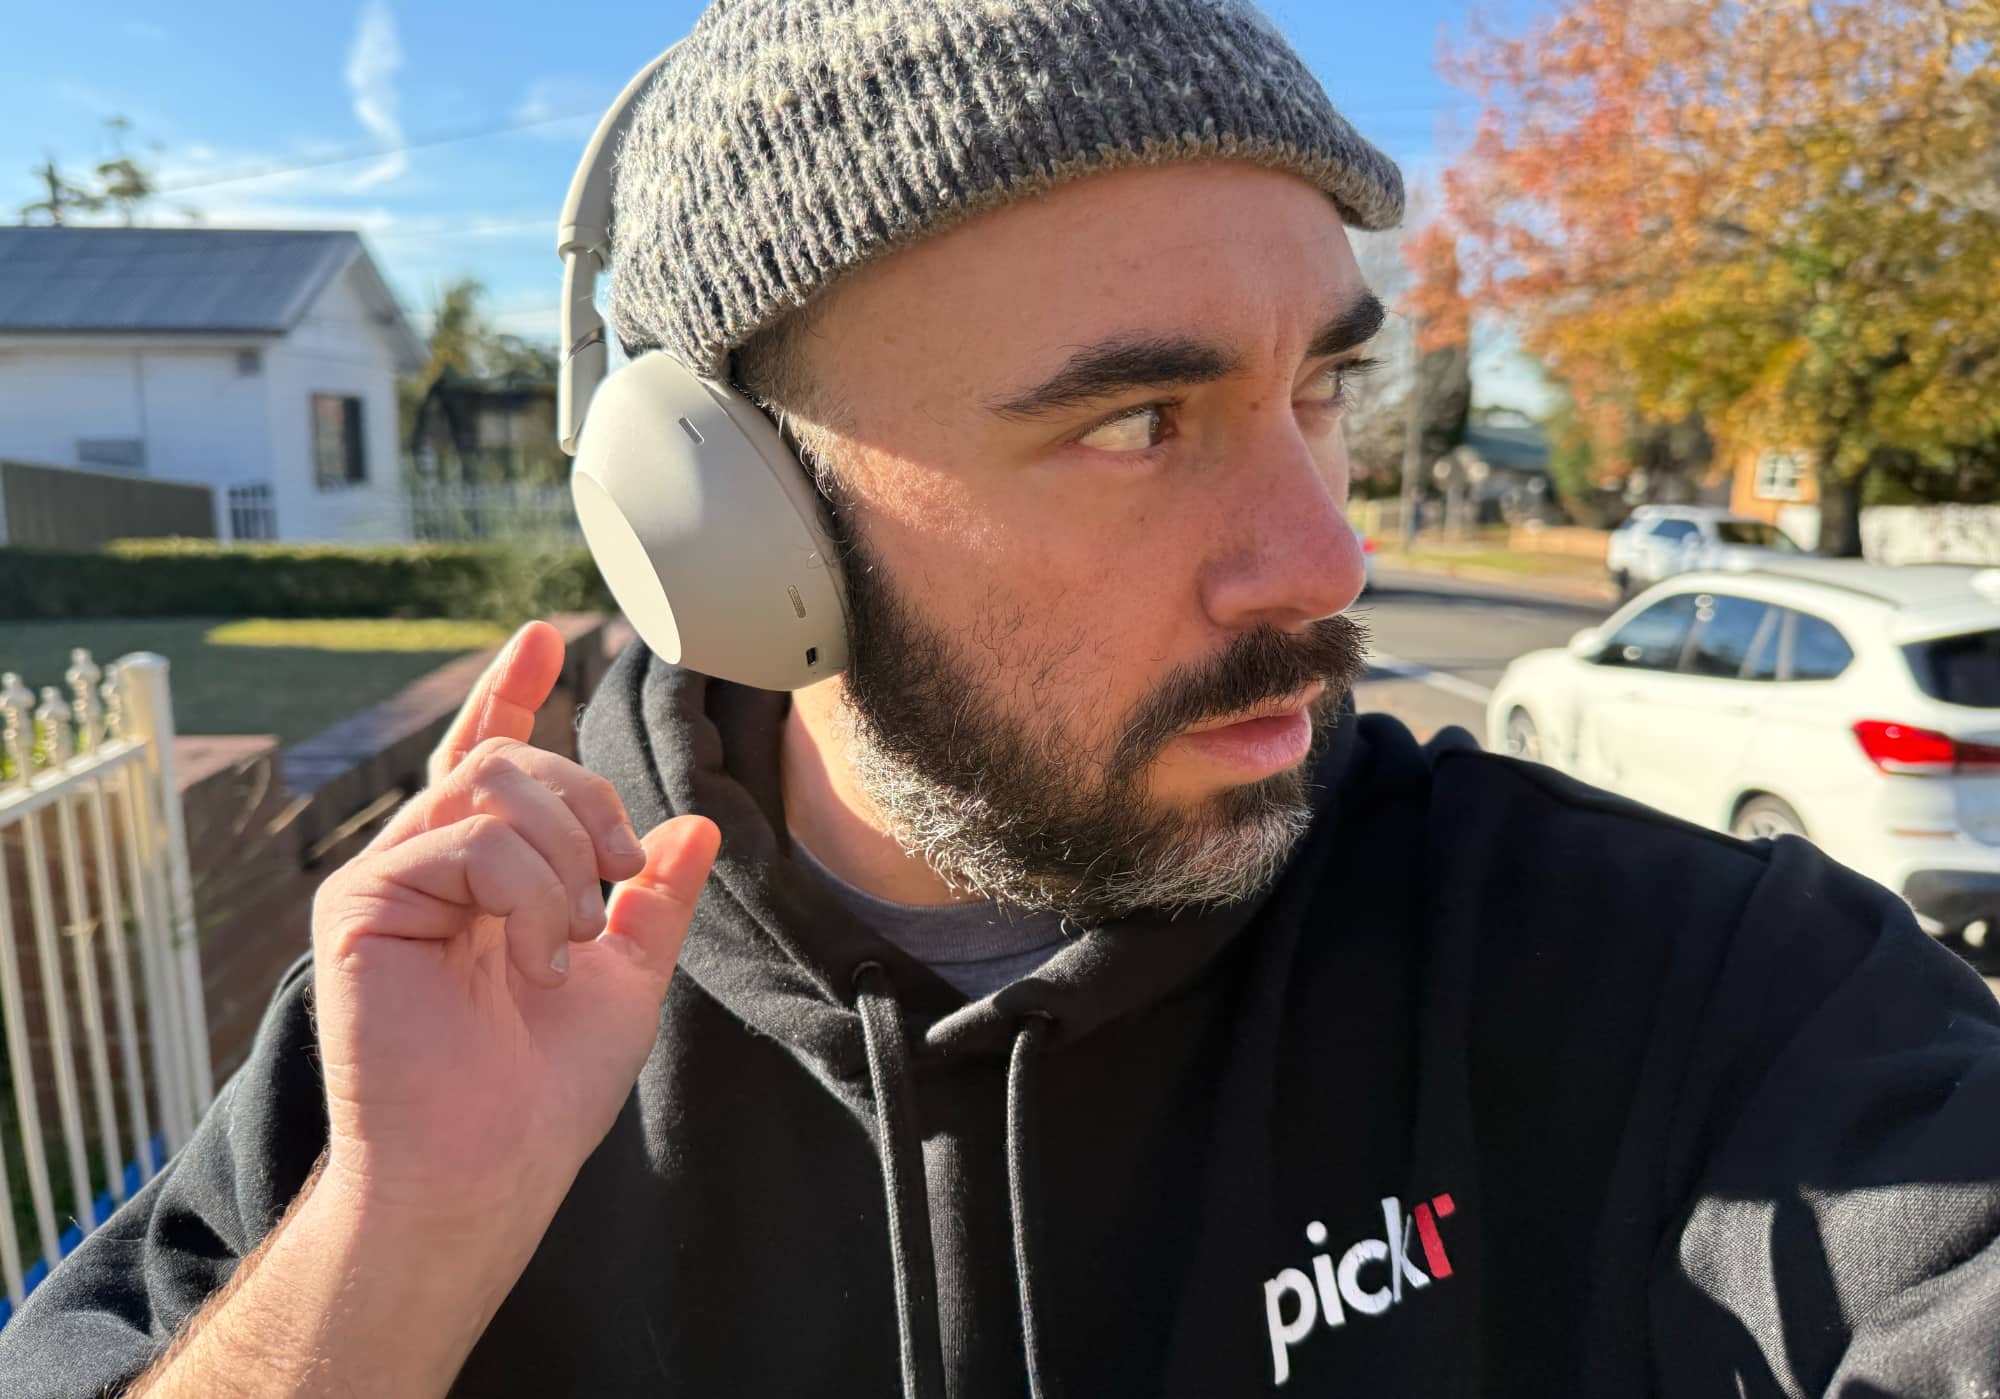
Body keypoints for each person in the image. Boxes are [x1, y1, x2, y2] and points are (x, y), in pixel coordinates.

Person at [6, 1, 1999, 1394]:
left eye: (1319, 390)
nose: (1324, 560)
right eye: (1141, 421)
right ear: (729, 527)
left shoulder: (1680, 984)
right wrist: (391, 1262)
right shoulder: (433, 1035)